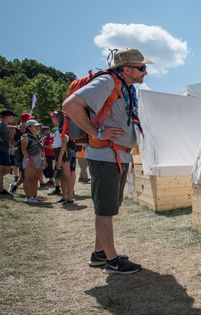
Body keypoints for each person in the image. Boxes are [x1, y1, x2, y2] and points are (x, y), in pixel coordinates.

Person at [63, 48, 151, 274]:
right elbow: (70, 106)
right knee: (104, 211)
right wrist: (96, 133)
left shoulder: (124, 86)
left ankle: (99, 253)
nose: (145, 72)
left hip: (116, 155)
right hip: (106, 156)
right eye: (141, 68)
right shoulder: (108, 82)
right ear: (127, 69)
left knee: (108, 208)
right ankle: (112, 261)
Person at [21, 119, 45, 203]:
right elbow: (23, 150)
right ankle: (28, 197)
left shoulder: (38, 136)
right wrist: (29, 160)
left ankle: (34, 196)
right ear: (29, 127)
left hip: (39, 159)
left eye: (38, 126)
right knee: (28, 178)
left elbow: (41, 149)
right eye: (35, 126)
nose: (38, 127)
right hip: (30, 160)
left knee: (35, 178)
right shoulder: (25, 137)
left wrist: (44, 159)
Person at [9, 113, 34, 193]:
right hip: (18, 153)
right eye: (29, 119)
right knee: (23, 172)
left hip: (28, 152)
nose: (30, 121)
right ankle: (17, 186)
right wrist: (12, 150)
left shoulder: (29, 129)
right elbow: (10, 141)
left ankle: (15, 186)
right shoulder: (15, 129)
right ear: (23, 121)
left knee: (25, 172)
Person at [0, 109, 16, 195]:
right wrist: (3, 142)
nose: (13, 118)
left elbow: (9, 140)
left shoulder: (5, 126)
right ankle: (1, 189)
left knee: (7, 169)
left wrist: (11, 133)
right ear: (8, 116)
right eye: (12, 116)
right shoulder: (1, 124)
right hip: (1, 150)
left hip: (4, 150)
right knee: (4, 169)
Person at [48, 111, 62, 196]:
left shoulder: (62, 128)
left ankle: (64, 190)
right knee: (56, 171)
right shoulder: (59, 128)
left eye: (53, 118)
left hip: (61, 153)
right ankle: (58, 188)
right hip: (58, 152)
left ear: (58, 118)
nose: (52, 120)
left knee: (59, 172)